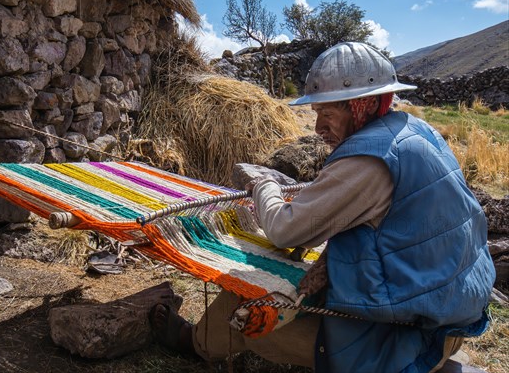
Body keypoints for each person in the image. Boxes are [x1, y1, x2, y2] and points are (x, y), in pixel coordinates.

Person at [150, 42, 495, 372]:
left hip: (409, 338)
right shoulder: (418, 131)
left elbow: (285, 230)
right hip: (446, 317)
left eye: (326, 113)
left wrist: (263, 186)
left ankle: (193, 343)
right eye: (316, 114)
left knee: (242, 299)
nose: (317, 128)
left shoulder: (368, 161)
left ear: (360, 105)